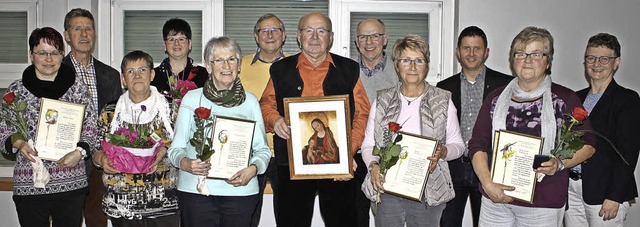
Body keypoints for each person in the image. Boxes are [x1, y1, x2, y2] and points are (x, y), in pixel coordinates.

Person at [468, 26, 596, 226]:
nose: (527, 60)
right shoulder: (495, 98)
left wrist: (560, 163)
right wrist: (487, 183)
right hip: (495, 199)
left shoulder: (564, 99)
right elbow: (477, 144)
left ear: (547, 61)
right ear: (512, 60)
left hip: (543, 203)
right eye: (520, 53)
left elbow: (588, 144)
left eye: (536, 54)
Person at [259, 12, 370, 227]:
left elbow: (362, 114)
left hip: (338, 166)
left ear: (331, 37)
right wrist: (276, 120)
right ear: (298, 36)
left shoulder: (349, 69)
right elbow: (266, 104)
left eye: (322, 31)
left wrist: (347, 152)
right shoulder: (281, 69)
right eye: (308, 30)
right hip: (291, 165)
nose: (315, 36)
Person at [361, 34, 465, 226]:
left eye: (419, 60)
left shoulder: (442, 100)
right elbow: (368, 144)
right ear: (396, 65)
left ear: (427, 65)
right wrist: (373, 167)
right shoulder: (382, 100)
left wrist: (443, 152)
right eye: (406, 60)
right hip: (386, 188)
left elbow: (458, 145)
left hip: (429, 189)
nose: (412, 66)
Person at [0, 27, 98, 227]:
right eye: (41, 52)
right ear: (31, 54)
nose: (48, 58)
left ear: (62, 55)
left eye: (54, 52)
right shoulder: (16, 90)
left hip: (70, 182)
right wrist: (19, 142)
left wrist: (80, 152)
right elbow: (4, 126)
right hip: (30, 184)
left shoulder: (77, 88)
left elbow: (91, 126)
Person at [168, 36, 271, 227]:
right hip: (197, 192)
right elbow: (175, 149)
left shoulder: (250, 102)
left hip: (240, 192)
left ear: (239, 65)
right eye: (219, 60)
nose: (226, 65)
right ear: (208, 66)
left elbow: (263, 151)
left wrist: (254, 169)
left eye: (232, 59)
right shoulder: (192, 99)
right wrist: (186, 163)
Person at [91, 50, 179, 226]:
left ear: (152, 74)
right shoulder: (110, 111)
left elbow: (183, 146)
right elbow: (95, 149)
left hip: (162, 204)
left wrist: (166, 149)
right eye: (130, 72)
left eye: (142, 70)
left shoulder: (170, 108)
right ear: (123, 78)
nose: (137, 76)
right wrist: (102, 160)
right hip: (122, 203)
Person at [436, 26, 512, 227]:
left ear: (486, 52)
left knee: (488, 223)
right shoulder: (442, 88)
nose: (471, 54)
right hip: (453, 167)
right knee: (447, 223)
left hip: (490, 168)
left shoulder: (506, 86)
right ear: (458, 53)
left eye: (477, 48)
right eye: (466, 48)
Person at [564, 33, 640, 226]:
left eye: (604, 58)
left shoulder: (627, 99)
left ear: (616, 63)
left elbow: (628, 152)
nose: (597, 64)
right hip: (571, 188)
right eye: (591, 57)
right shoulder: (576, 98)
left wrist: (615, 196)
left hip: (605, 191)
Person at [62, 8, 123, 227]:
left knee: (97, 218)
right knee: (68, 218)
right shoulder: (56, 72)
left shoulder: (111, 74)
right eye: (77, 29)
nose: (84, 34)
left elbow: (118, 120)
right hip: (67, 158)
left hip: (100, 158)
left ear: (95, 34)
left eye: (88, 29)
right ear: (67, 35)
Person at [237, 13, 288, 227]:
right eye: (263, 31)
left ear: (284, 36)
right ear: (255, 37)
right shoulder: (238, 66)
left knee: (288, 215)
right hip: (248, 153)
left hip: (285, 153)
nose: (269, 35)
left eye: (274, 30)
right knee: (247, 215)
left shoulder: (295, 66)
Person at [352, 18, 398, 226]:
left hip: (387, 159)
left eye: (375, 36)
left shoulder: (401, 72)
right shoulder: (347, 71)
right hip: (355, 157)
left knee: (386, 217)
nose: (369, 41)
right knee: (355, 217)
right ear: (356, 41)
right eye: (363, 36)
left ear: (385, 39)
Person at [151, 18, 208, 100]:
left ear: (190, 44)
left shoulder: (204, 75)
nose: (176, 44)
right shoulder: (153, 76)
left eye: (181, 39)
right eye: (171, 39)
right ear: (165, 45)